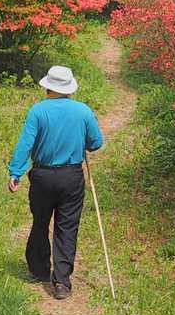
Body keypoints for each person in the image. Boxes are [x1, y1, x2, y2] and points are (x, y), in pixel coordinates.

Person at [8, 65, 104, 300]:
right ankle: (61, 281)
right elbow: (96, 142)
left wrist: (16, 172)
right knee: (67, 226)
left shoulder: (38, 111)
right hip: (71, 177)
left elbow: (25, 144)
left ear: (48, 86)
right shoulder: (83, 111)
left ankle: (39, 269)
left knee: (40, 221)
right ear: (69, 88)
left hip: (42, 176)